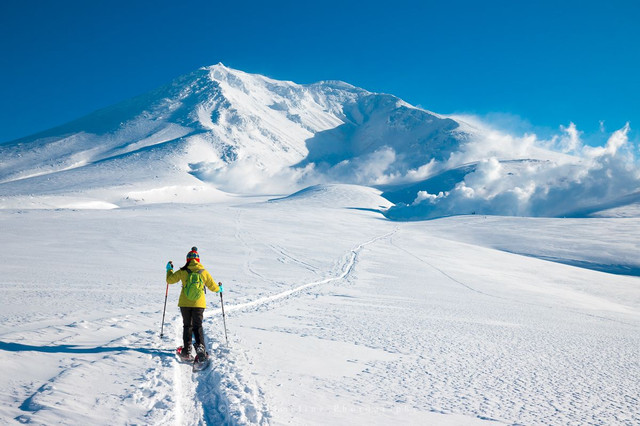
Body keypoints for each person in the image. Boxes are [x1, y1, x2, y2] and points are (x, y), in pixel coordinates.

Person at [166, 247, 222, 360]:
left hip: (185, 303)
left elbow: (170, 280)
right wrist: (219, 289)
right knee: (198, 326)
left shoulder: (183, 271)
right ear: (198, 260)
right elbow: (213, 287)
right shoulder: (203, 272)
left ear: (187, 259)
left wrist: (169, 270)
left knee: (187, 326)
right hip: (199, 304)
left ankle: (186, 351)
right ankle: (201, 350)